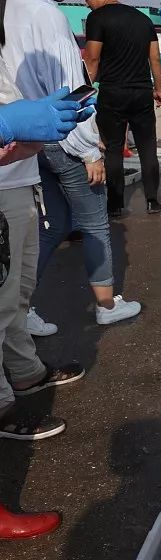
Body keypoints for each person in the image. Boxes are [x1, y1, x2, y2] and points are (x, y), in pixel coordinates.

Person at [0, 0, 141, 338]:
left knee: (52, 224)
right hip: (60, 134)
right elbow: (70, 89)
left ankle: (23, 306)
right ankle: (106, 306)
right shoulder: (45, 15)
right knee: (94, 221)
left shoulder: (9, 11)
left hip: (24, 138)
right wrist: (90, 150)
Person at [0, 85, 93, 452]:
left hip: (20, 181)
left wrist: (35, 136)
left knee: (18, 293)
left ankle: (25, 373)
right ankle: (3, 406)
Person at [83, 0, 161, 217]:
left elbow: (92, 58)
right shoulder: (143, 19)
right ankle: (152, 200)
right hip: (141, 92)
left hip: (113, 92)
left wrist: (84, 90)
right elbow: (154, 57)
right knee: (147, 147)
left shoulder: (97, 18)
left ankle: (115, 204)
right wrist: (158, 88)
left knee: (113, 148)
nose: (86, 3)